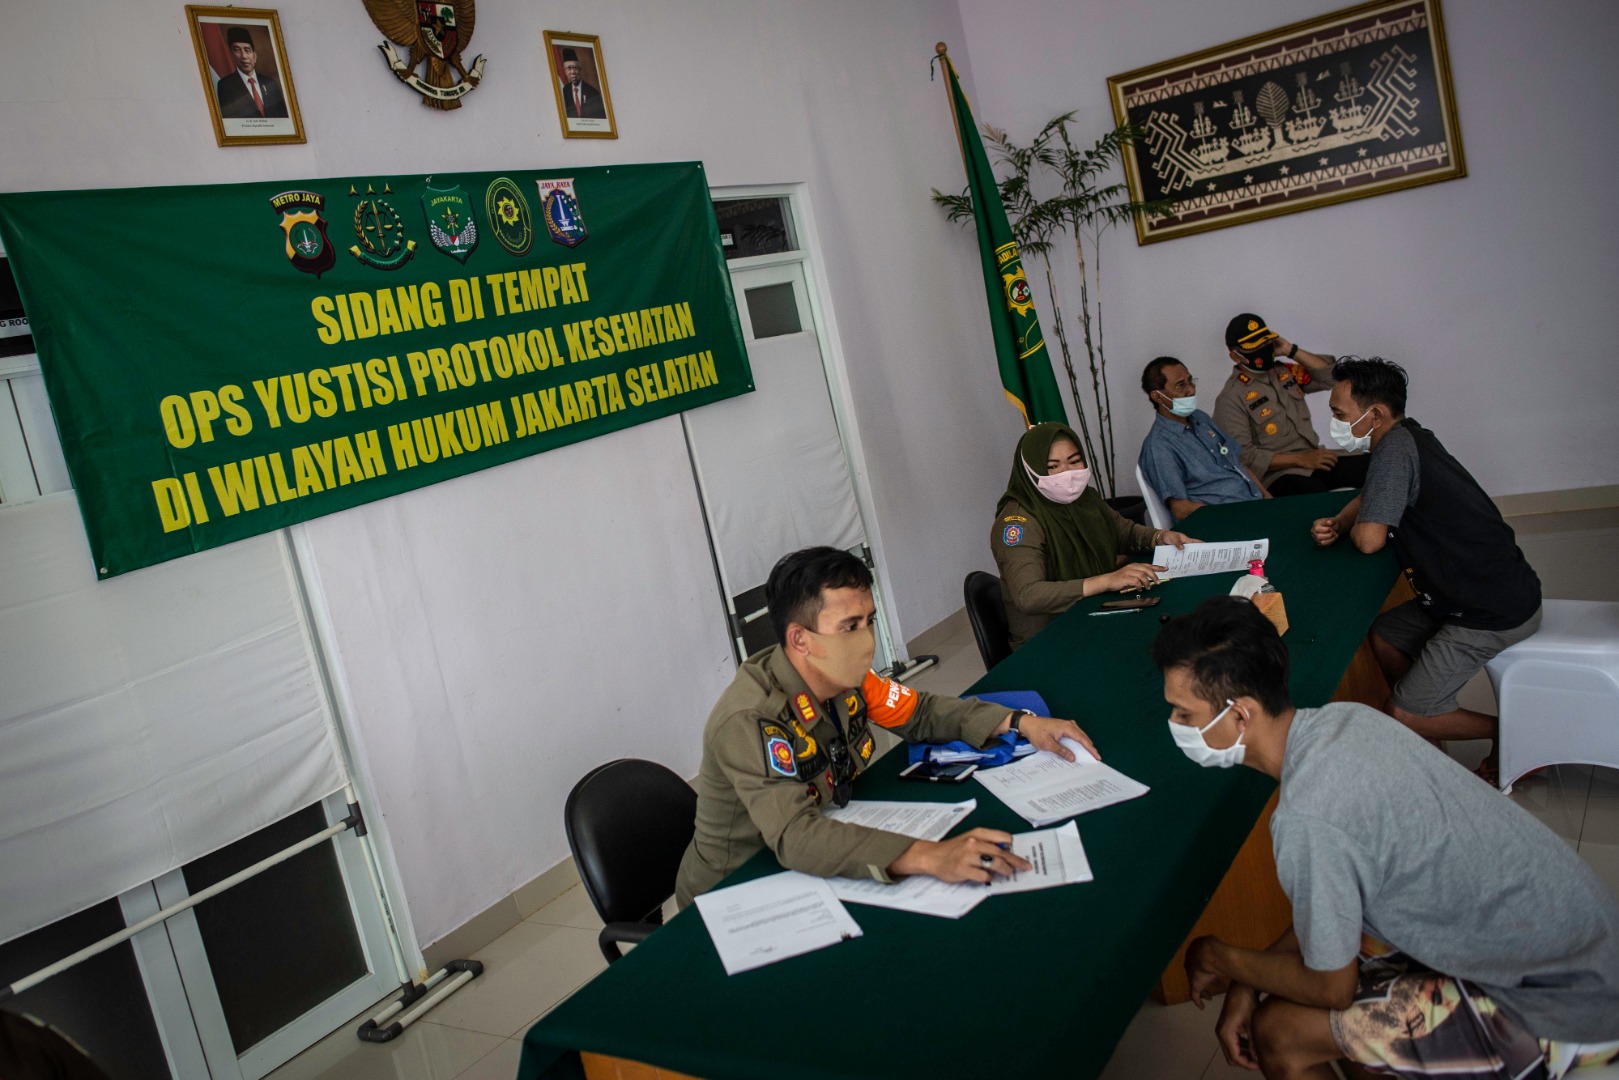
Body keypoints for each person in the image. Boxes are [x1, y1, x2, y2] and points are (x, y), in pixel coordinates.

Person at [1155, 597, 1619, 1080]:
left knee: (1281, 1033)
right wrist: (1246, 984)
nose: (1176, 726)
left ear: (1241, 716)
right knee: (1328, 1020)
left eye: (1184, 714)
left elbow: (1330, 986)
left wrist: (1216, 956)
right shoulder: (1347, 722)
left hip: (1564, 1011)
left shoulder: (1308, 816)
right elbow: (1338, 908)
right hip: (1585, 952)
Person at [674, 546, 1098, 906]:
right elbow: (796, 837)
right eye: (849, 627)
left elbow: (923, 713)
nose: (867, 640)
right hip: (737, 889)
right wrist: (928, 856)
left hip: (822, 839)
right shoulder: (751, 719)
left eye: (869, 620)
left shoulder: (845, 677)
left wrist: (1018, 722)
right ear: (800, 639)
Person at [1310, 357, 1541, 781]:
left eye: (1339, 414)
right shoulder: (1408, 435)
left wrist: (1353, 528)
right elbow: (1371, 495)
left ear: (1374, 414)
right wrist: (1341, 520)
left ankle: (1511, 734)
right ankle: (1429, 724)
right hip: (1475, 588)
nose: (1335, 423)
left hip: (1487, 609)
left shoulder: (1394, 453)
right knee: (1384, 635)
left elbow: (1369, 541)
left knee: (1401, 712)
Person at [993, 422, 1196, 649]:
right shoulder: (1018, 523)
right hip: (1049, 639)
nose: (1067, 474)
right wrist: (1106, 581)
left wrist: (1161, 537)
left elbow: (1123, 532)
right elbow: (1028, 595)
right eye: (1052, 466)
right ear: (1030, 470)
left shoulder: (1085, 499)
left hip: (1096, 610)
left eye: (1074, 461)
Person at [1212, 313, 1369, 496]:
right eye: (1255, 347)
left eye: (1265, 342)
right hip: (1278, 474)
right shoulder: (1231, 398)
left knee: (1373, 466)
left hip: (1316, 458)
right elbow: (1243, 456)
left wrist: (1290, 350)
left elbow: (1332, 377)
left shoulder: (1284, 372)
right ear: (1235, 356)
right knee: (1311, 492)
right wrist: (1300, 459)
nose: (1263, 349)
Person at [1139, 357, 1268, 521]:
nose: (1191, 390)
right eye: (1180, 385)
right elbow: (1181, 509)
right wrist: (1234, 514)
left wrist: (1268, 498)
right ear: (1158, 397)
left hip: (1254, 506)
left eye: (1190, 381)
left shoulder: (1200, 418)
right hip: (1225, 521)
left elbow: (1238, 464)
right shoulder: (1159, 446)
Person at [214, 27, 288, 119]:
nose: (244, 56)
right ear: (232, 55)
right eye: (237, 50)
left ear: (254, 56)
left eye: (247, 50)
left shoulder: (270, 83)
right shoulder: (225, 86)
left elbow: (284, 118)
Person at [559, 48, 606, 119]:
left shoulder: (593, 93)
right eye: (569, 68)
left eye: (575, 68)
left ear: (579, 69)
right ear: (565, 71)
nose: (572, 72)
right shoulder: (564, 92)